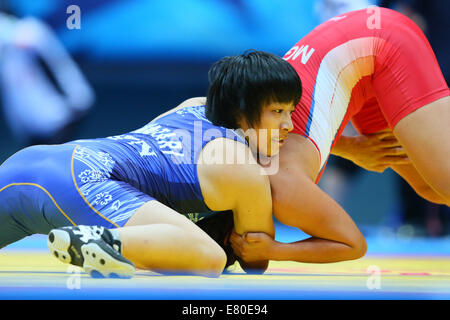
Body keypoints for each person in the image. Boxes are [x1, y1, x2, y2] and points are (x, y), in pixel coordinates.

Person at [0, 50, 302, 278]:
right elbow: (255, 261)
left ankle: (100, 240)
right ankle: (102, 241)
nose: (288, 124)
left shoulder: (193, 106)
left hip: (34, 161)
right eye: (277, 111)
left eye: (290, 111)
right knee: (210, 257)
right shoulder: (245, 171)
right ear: (242, 108)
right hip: (82, 183)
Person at [229, 7, 449, 264]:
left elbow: (352, 243)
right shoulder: (229, 142)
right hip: (356, 55)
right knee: (429, 187)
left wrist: (274, 250)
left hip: (383, 39)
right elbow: (300, 129)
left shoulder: (284, 192)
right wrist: (349, 148)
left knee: (445, 182)